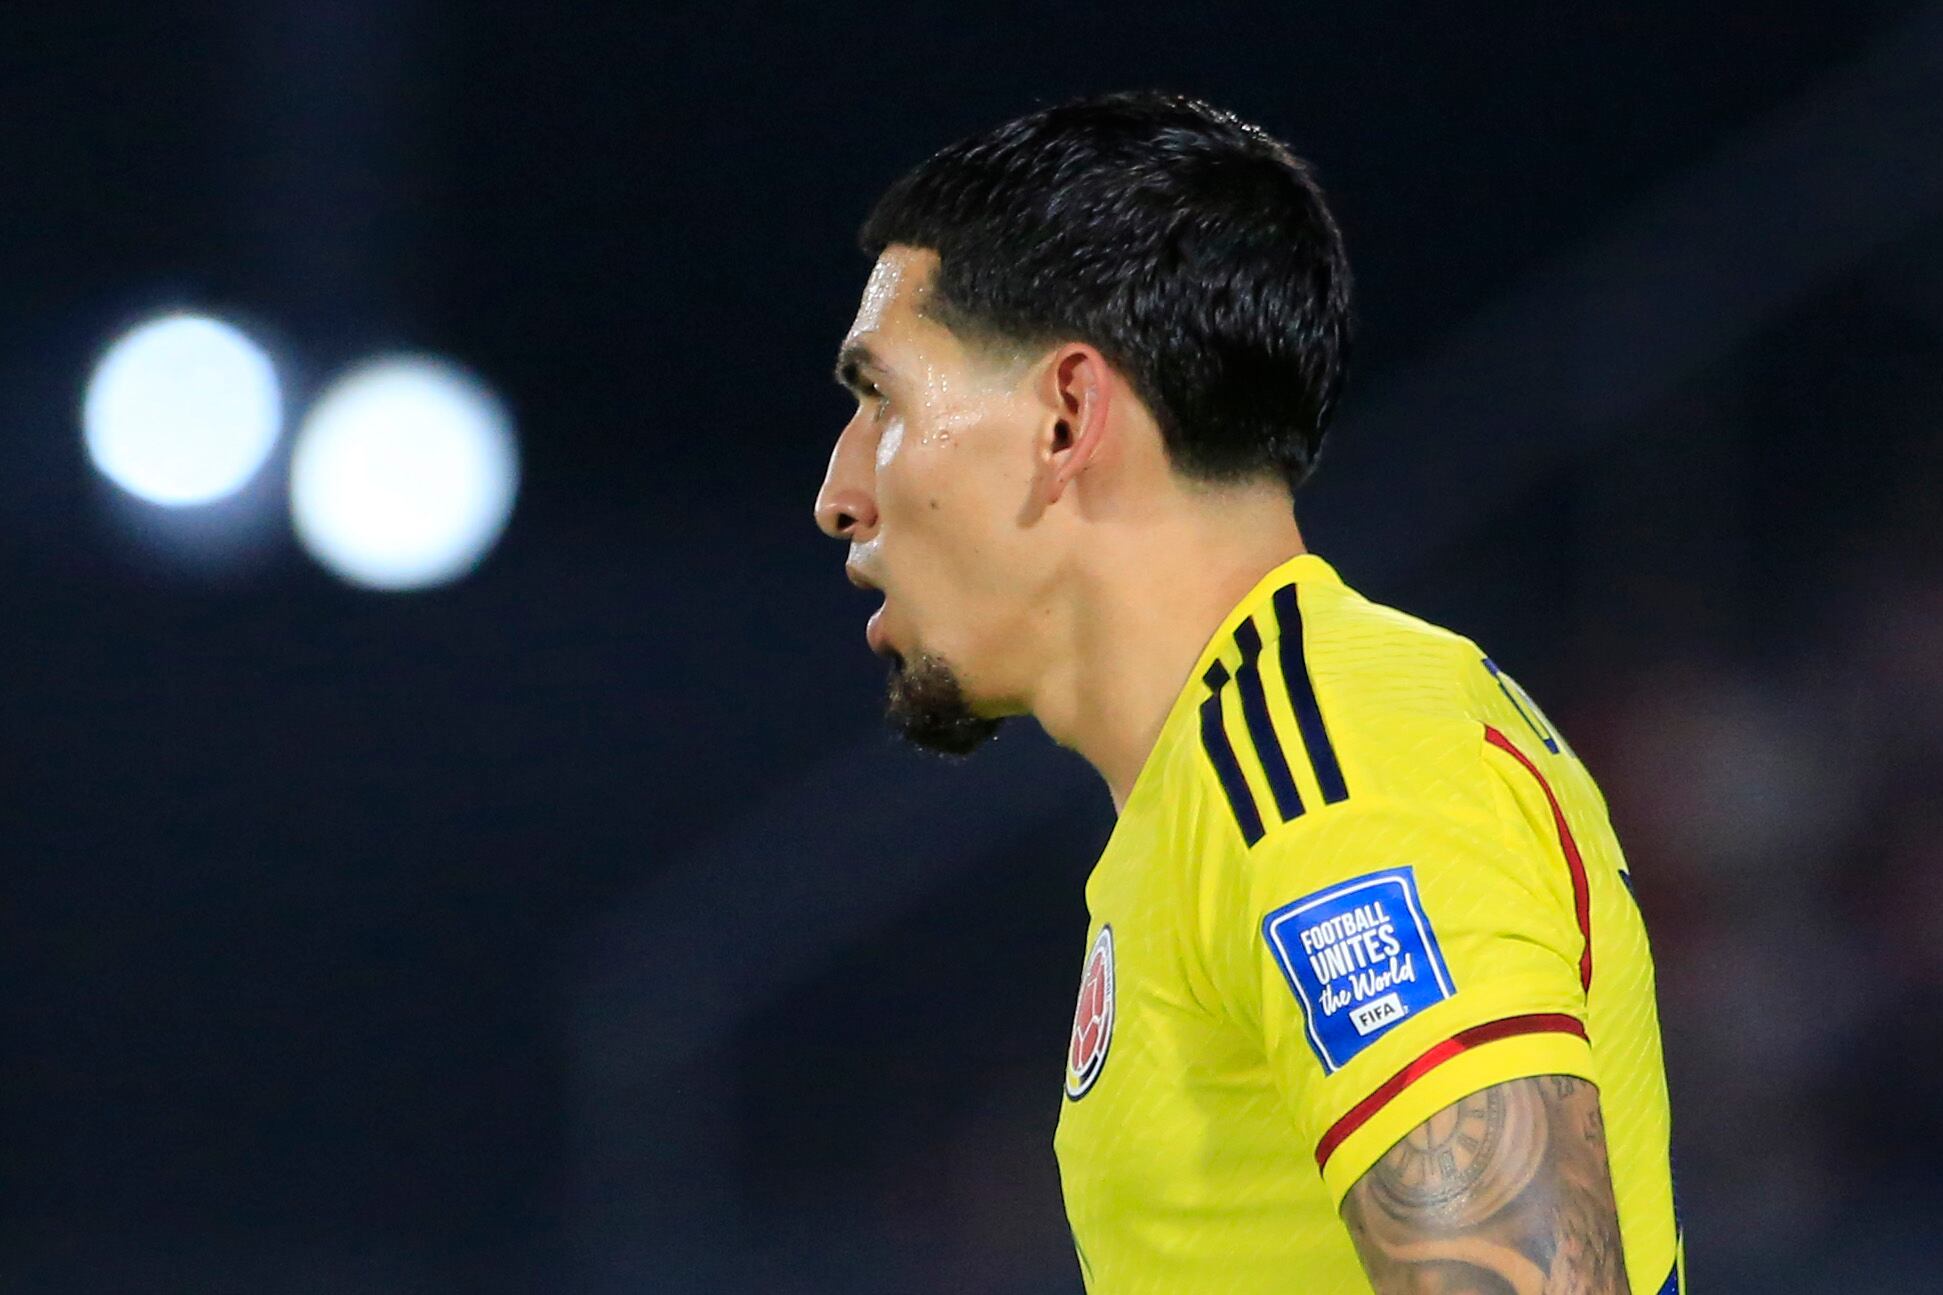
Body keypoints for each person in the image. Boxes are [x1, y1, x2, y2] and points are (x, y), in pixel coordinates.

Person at [813, 91, 1680, 1295]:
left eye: (881, 400)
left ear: (1066, 414)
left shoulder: (1329, 761)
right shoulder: (1232, 773)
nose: (840, 492)